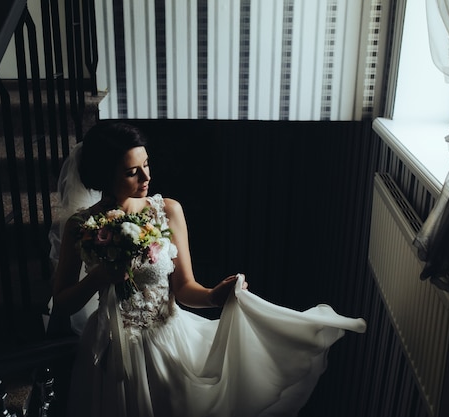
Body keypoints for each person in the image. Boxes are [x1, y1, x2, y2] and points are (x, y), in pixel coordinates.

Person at [49, 121, 366, 417]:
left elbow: (185, 288)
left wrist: (216, 295)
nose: (146, 177)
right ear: (106, 174)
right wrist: (98, 278)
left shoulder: (168, 211)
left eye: (146, 165)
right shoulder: (83, 225)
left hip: (167, 341)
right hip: (108, 349)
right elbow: (63, 303)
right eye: (132, 171)